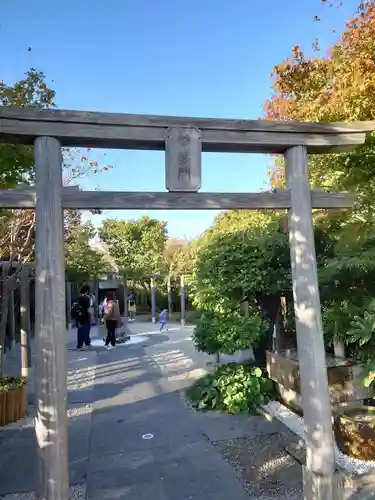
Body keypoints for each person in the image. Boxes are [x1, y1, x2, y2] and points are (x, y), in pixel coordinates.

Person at [72, 285, 92, 350]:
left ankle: (79, 345)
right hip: (86, 316)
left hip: (79, 317)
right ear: (87, 291)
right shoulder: (87, 298)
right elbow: (88, 308)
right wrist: (91, 316)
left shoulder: (79, 298)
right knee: (86, 330)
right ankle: (87, 343)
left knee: (80, 331)